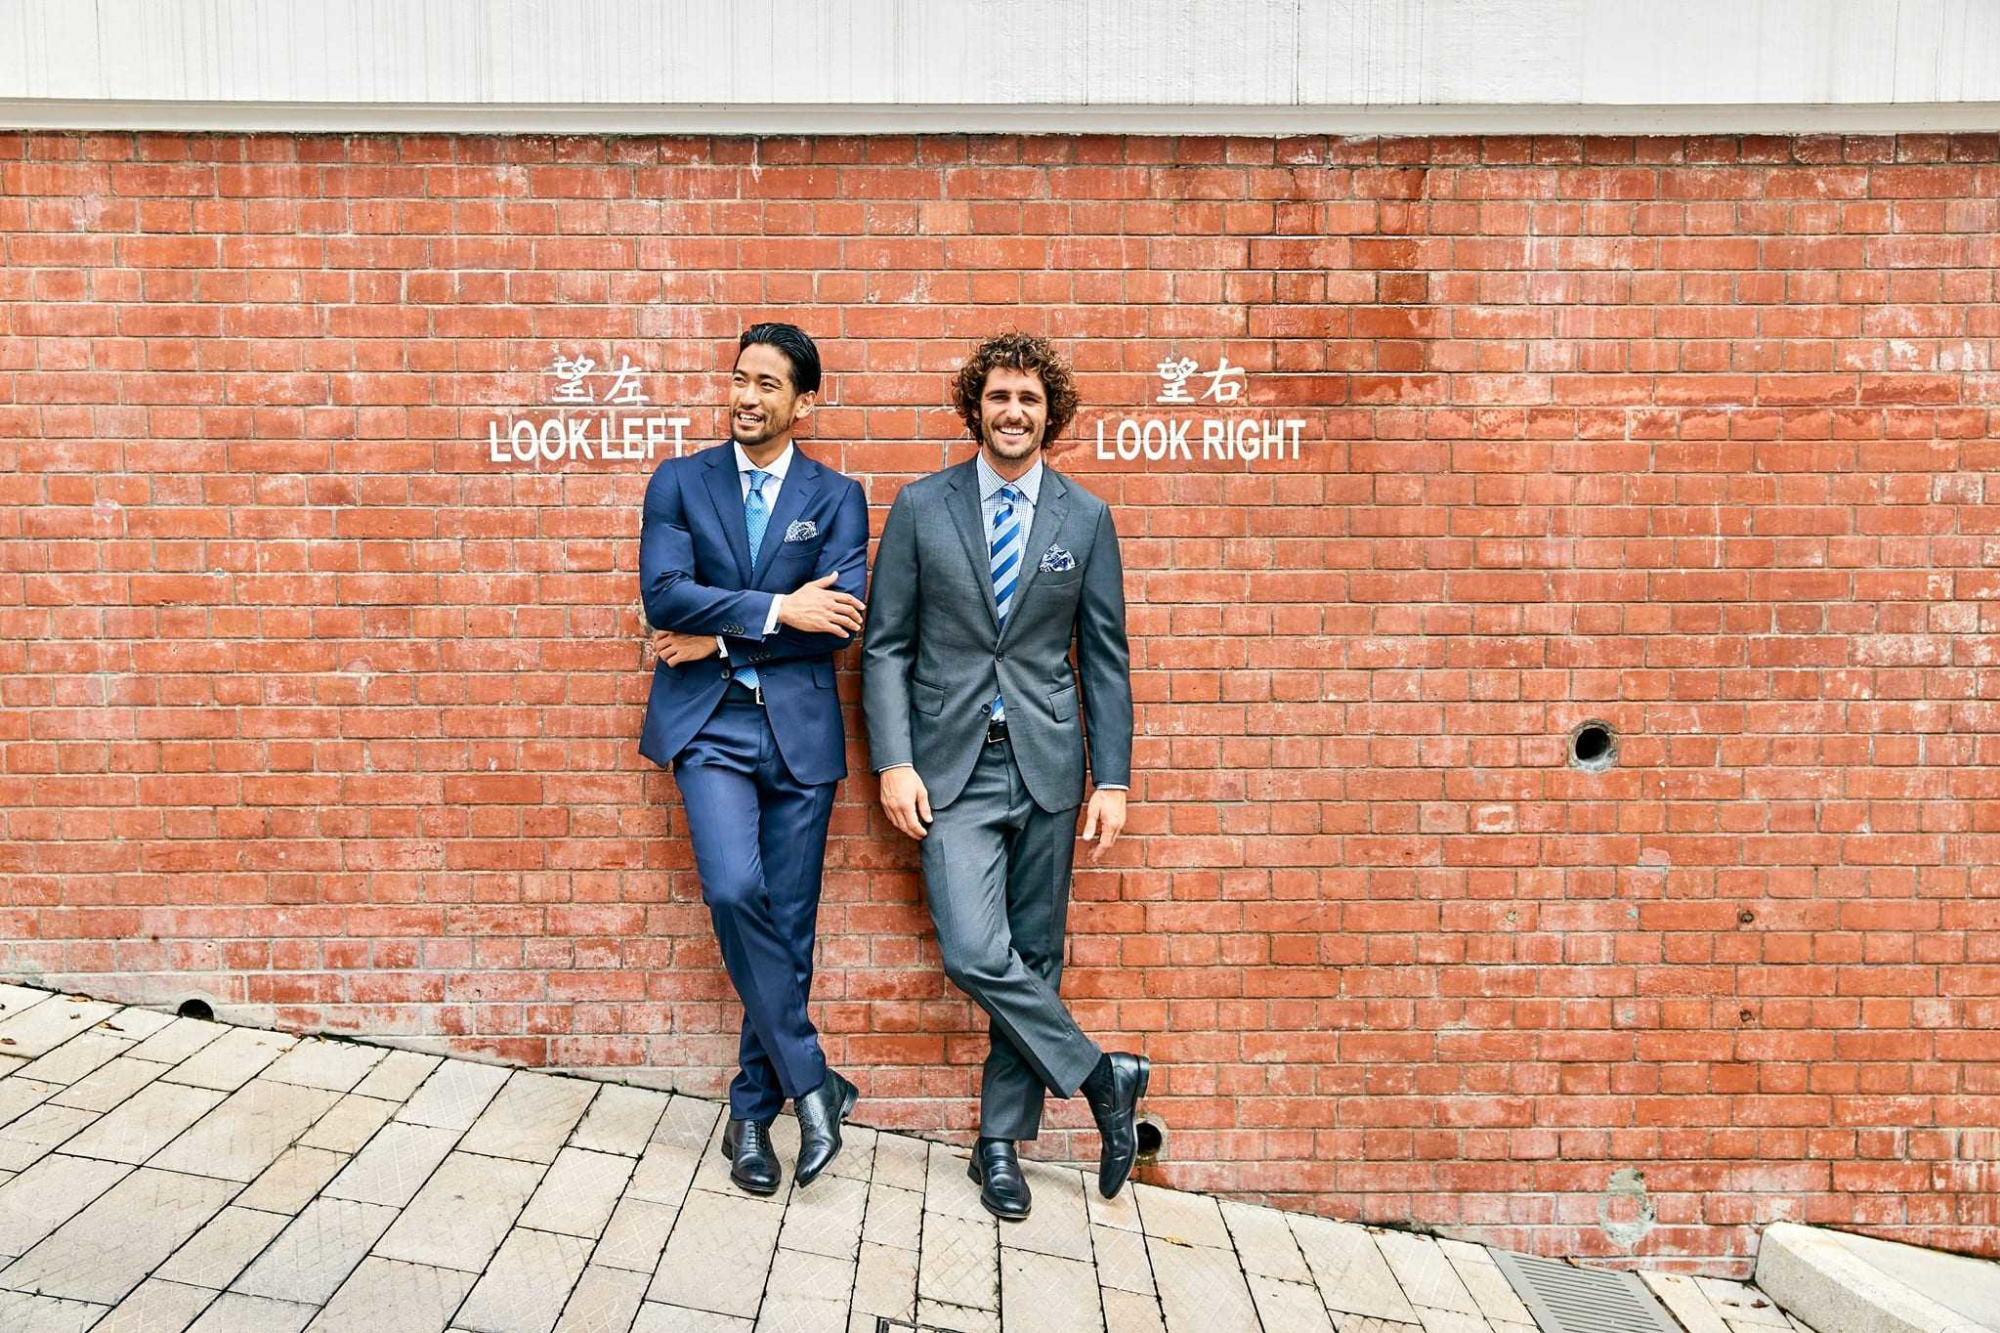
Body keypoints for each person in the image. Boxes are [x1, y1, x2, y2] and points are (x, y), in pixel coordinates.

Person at [861, 331, 1149, 1221]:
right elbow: (886, 645)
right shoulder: (923, 506)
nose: (1013, 412)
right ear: (975, 407)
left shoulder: (1084, 517)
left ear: (1049, 412)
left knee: (1037, 952)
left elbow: (1104, 657)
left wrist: (1113, 779)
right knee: (974, 951)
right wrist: (894, 760)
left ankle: (999, 1143)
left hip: (1050, 764)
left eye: (1029, 398)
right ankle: (1102, 1075)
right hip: (951, 768)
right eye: (998, 396)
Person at [639, 322, 868, 1195]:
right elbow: (665, 595)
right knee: (736, 892)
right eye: (740, 378)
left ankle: (750, 1113)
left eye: (768, 384)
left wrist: (724, 636)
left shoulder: (838, 496)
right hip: (711, 728)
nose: (746, 396)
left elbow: (838, 623)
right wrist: (777, 611)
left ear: (804, 402)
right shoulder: (679, 481)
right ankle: (814, 1080)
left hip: (799, 736)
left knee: (789, 926)